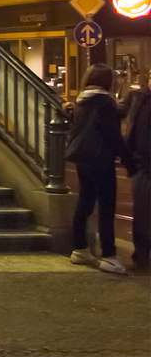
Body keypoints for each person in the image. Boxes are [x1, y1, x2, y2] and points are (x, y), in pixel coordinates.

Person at [66, 63, 127, 274]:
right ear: (107, 81)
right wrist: (128, 158)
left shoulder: (82, 100)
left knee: (85, 201)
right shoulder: (105, 102)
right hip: (101, 158)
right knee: (107, 206)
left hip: (83, 156)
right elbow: (112, 134)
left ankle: (79, 248)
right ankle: (109, 255)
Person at [121, 71, 150, 270]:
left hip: (144, 165)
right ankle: (141, 255)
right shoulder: (139, 98)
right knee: (142, 212)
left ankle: (142, 255)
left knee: (144, 211)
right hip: (143, 166)